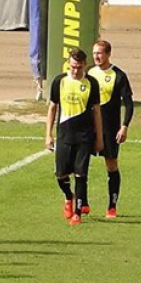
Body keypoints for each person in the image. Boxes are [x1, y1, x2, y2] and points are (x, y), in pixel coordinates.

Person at [45, 48, 104, 225]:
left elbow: (97, 112)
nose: (75, 70)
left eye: (78, 67)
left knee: (80, 174)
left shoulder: (91, 83)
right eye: (72, 66)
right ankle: (68, 196)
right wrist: (48, 134)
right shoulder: (59, 81)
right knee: (61, 174)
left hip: (84, 136)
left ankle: (77, 212)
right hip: (64, 134)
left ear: (84, 65)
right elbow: (52, 108)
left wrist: (99, 138)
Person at [87, 40, 134, 218]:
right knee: (81, 164)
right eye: (94, 53)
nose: (96, 56)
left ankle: (112, 206)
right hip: (89, 127)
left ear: (108, 54)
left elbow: (129, 104)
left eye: (99, 53)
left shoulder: (119, 75)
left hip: (110, 128)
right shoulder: (89, 72)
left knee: (111, 164)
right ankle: (82, 203)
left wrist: (124, 127)